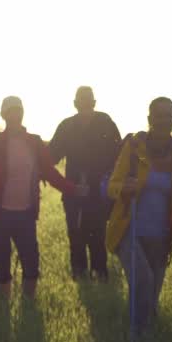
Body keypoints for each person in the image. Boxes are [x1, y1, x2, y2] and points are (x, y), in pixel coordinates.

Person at [106, 97, 172, 339]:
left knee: (151, 294)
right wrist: (125, 187)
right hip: (128, 231)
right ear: (149, 119)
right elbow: (111, 185)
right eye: (159, 115)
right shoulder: (133, 149)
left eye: (169, 115)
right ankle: (135, 340)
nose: (164, 120)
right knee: (142, 281)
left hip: (162, 236)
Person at [0, 96, 88, 298]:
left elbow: (49, 173)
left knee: (31, 259)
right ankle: (2, 306)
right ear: (4, 115)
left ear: (23, 113)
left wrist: (73, 189)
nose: (15, 115)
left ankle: (28, 304)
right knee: (1, 259)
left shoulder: (34, 142)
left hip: (25, 212)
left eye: (18, 111)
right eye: (10, 112)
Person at [49, 86, 121, 280]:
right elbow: (51, 156)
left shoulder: (106, 122)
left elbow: (120, 155)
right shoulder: (66, 126)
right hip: (74, 190)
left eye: (88, 101)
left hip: (100, 191)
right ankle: (79, 272)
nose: (85, 105)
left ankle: (100, 272)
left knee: (97, 232)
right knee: (75, 232)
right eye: (82, 101)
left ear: (94, 103)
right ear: (75, 104)